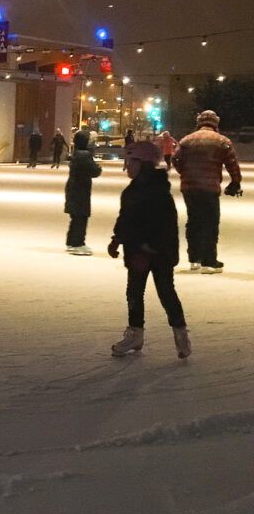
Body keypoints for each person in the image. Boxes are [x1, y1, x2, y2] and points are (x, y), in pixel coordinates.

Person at [107, 140, 190, 359]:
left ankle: (180, 334)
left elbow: (162, 226)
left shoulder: (156, 191)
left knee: (166, 292)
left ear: (143, 163)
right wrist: (117, 239)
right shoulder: (133, 190)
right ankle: (136, 334)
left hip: (157, 253)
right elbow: (125, 219)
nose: (127, 167)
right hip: (137, 252)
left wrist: (148, 250)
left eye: (130, 161)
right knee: (134, 293)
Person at [173, 109, 242, 273]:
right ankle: (209, 261)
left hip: (189, 187)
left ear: (199, 123)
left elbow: (176, 159)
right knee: (210, 223)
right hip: (209, 187)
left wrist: (185, 172)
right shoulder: (222, 141)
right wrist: (235, 181)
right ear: (215, 123)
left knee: (194, 221)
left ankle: (194, 259)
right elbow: (232, 163)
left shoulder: (186, 141)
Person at [64, 130, 102, 254]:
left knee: (76, 217)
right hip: (80, 191)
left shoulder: (77, 154)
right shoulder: (84, 155)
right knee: (81, 217)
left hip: (75, 189)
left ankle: (71, 241)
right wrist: (98, 167)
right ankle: (77, 243)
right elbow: (95, 171)